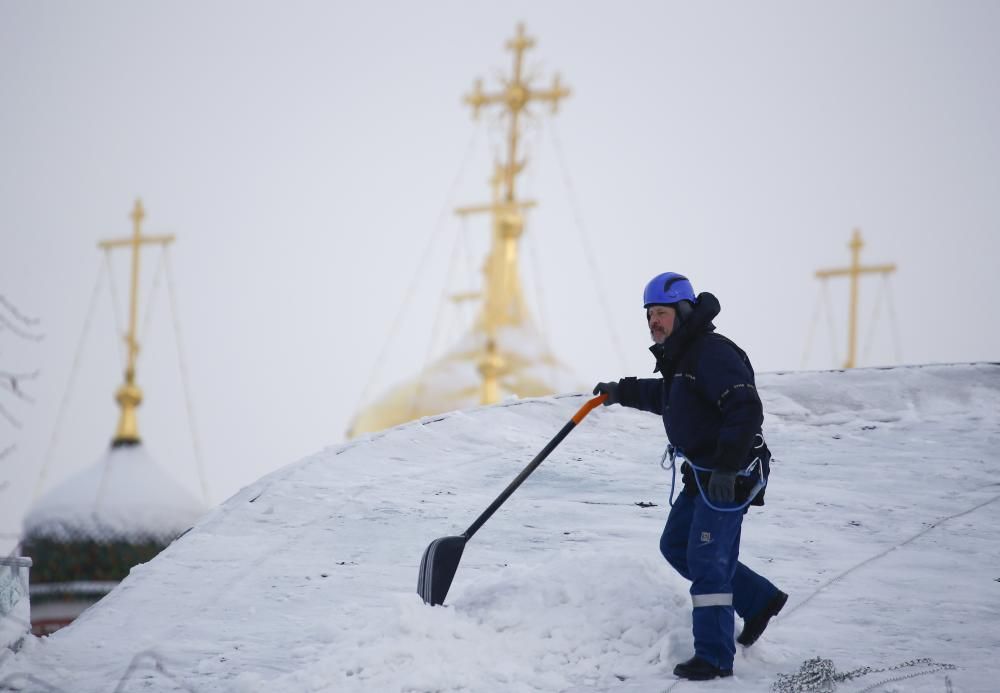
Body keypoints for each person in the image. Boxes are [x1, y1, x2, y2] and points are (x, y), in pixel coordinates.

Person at [593, 271, 787, 681]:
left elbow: (745, 409)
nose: (653, 323)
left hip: (727, 475)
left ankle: (715, 658)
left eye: (660, 313)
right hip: (701, 474)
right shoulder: (683, 359)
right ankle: (758, 600)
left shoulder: (712, 353)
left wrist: (728, 466)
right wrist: (619, 391)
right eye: (649, 316)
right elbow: (667, 398)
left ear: (682, 312)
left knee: (706, 560)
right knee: (677, 544)